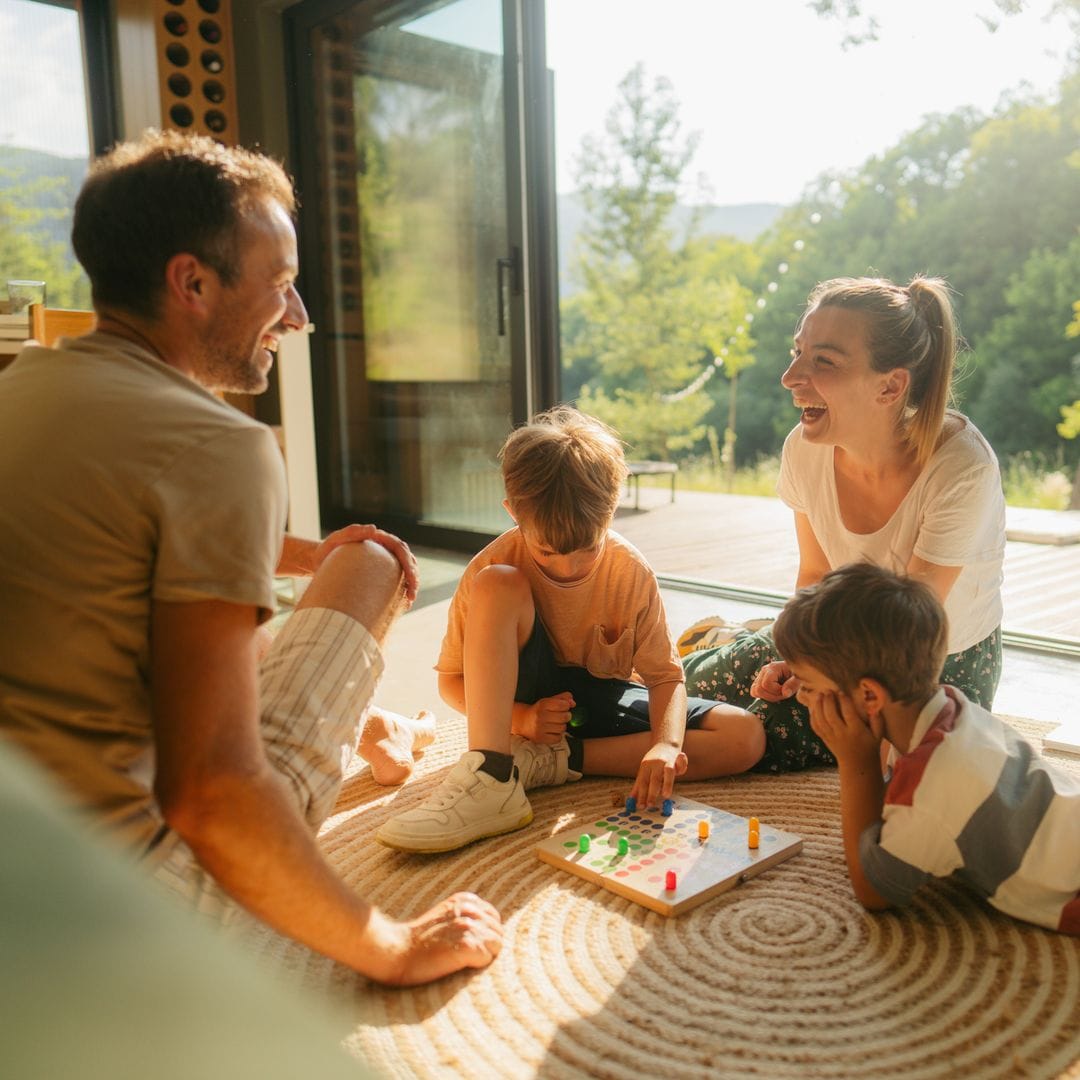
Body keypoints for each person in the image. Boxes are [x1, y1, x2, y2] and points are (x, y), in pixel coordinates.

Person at [0, 130, 500, 985]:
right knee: (374, 561)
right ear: (192, 283)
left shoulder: (25, 388)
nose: (298, 315)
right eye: (279, 284)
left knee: (280, 604)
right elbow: (213, 795)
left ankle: (377, 732)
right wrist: (392, 945)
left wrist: (305, 552)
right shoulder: (217, 446)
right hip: (129, 903)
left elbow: (126, 521)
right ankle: (377, 736)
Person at [376, 406, 764, 853]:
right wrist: (522, 718)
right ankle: (492, 773)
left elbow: (664, 676)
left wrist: (663, 745)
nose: (570, 566)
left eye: (586, 548)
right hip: (520, 703)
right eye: (546, 551)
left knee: (745, 736)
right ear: (512, 513)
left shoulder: (630, 570)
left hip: (598, 701)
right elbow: (450, 682)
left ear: (612, 508)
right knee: (498, 584)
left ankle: (554, 763)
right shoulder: (491, 567)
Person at [682, 275, 1005, 773]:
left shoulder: (962, 467)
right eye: (797, 353)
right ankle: (730, 641)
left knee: (754, 733)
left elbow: (906, 632)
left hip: (926, 664)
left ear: (891, 385)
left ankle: (735, 638)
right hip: (837, 635)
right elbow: (814, 574)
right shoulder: (804, 448)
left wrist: (812, 673)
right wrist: (792, 655)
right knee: (688, 686)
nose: (791, 376)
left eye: (823, 361)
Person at [770, 563, 1079, 934]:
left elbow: (875, 891)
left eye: (807, 684)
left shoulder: (933, 785)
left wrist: (857, 762)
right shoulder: (951, 706)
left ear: (869, 694)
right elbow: (890, 810)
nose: (802, 697)